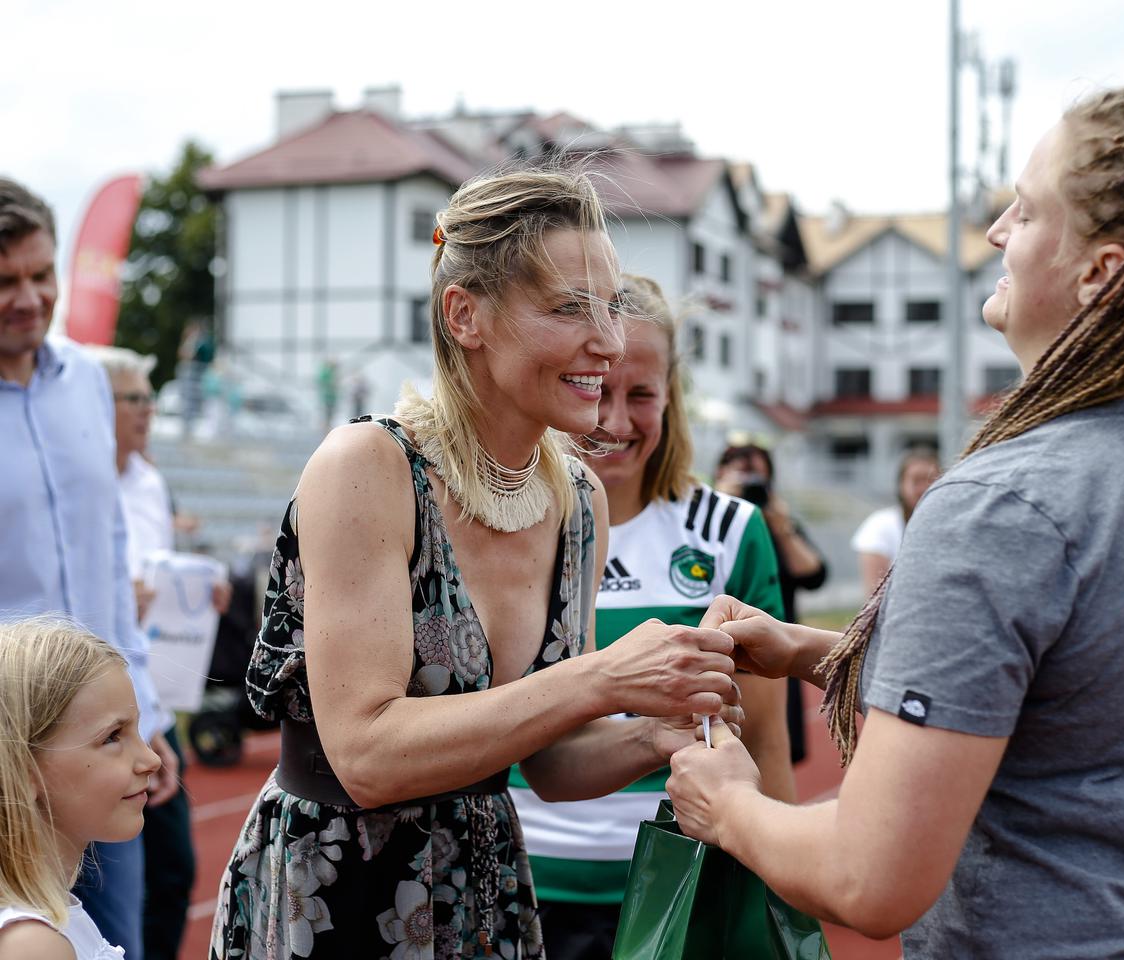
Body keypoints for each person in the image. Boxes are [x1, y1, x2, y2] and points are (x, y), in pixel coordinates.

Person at [667, 66, 1124, 958]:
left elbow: (867, 878)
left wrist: (728, 804)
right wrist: (820, 652)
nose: (997, 230)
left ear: (1100, 274)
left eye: (1025, 213)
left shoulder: (1007, 506)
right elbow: (1085, 691)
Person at [211, 166, 741, 960]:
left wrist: (655, 732)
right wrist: (600, 680)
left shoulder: (578, 501)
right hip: (333, 902)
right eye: (570, 308)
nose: (608, 340)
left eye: (612, 305)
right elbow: (366, 754)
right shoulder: (369, 467)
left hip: (486, 889)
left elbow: (548, 759)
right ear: (465, 315)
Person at [509, 276, 796, 958]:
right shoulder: (501, 527)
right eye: (597, 390)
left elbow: (765, 738)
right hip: (518, 882)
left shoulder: (729, 531)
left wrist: (782, 891)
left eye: (641, 395)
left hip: (681, 887)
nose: (614, 420)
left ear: (672, 399)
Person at [0, 177, 179, 959]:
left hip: (100, 731)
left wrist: (136, 714)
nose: (30, 298)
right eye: (5, 281)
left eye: (41, 275)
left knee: (120, 939)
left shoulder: (86, 388)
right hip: (17, 745)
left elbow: (108, 549)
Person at [88, 343, 231, 960]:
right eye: (133, 399)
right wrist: (128, 595)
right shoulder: (85, 482)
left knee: (172, 870)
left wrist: (202, 589)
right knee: (108, 881)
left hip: (156, 701)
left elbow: (162, 571)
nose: (147, 409)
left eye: (150, 397)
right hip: (96, 706)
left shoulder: (149, 482)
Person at [0, 617, 163, 960]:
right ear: (25, 772)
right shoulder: (32, 946)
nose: (151, 760)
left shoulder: (50, 920)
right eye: (112, 737)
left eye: (138, 730)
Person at [715, 441, 827, 763]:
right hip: (721, 651)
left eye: (757, 480)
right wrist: (725, 503)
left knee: (773, 749)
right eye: (741, 476)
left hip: (772, 655)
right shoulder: (703, 522)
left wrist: (782, 526)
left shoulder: (776, 523)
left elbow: (814, 574)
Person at [850, 447, 941, 591]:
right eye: (916, 481)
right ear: (901, 485)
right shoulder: (880, 525)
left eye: (931, 480)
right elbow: (874, 595)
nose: (924, 487)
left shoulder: (951, 525)